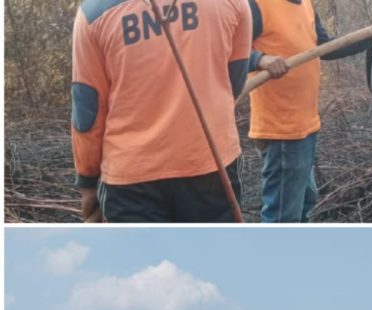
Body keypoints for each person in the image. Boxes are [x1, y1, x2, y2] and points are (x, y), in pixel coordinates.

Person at [71, 0, 252, 222]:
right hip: (211, 164)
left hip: (131, 178)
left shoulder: (94, 12)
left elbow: (87, 112)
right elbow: (233, 82)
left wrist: (87, 181)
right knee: (212, 255)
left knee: (142, 258)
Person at [246, 0, 372, 223]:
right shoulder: (256, 4)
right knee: (282, 215)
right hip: (282, 130)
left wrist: (371, 35)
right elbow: (226, 48)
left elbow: (327, 47)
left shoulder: (305, 4)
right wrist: (260, 59)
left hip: (306, 123)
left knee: (305, 200)